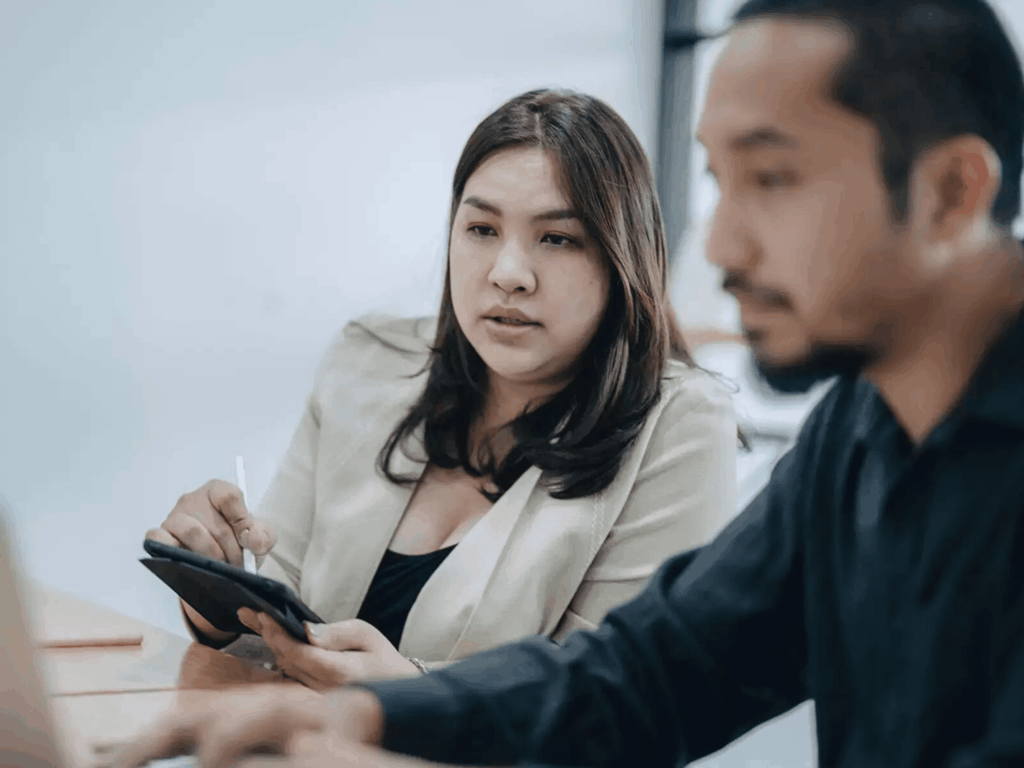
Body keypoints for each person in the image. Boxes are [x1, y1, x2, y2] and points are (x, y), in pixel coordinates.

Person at [110, 0, 1024, 766]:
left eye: (774, 178)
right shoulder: (860, 432)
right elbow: (650, 673)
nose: (717, 246)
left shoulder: (710, 421)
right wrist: (372, 714)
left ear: (950, 193)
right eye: (720, 181)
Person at [143, 88, 738, 690]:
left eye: (557, 238)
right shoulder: (369, 359)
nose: (508, 273)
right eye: (481, 228)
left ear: (622, 258)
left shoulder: (680, 422)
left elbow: (621, 697)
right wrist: (216, 590)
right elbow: (270, 634)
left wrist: (417, 695)